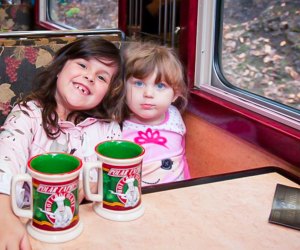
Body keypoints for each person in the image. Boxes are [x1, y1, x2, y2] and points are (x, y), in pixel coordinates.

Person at [0, 36, 123, 249]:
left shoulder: (107, 128)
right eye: (83, 64)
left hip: (90, 232)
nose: (89, 77)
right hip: (31, 227)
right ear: (59, 68)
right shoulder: (27, 115)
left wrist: (92, 186)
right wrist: (3, 216)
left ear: (107, 93)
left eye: (102, 77)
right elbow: (5, 161)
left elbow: (117, 179)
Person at [121, 41, 190, 187]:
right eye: (139, 84)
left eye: (160, 86)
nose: (148, 94)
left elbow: (182, 158)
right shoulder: (117, 125)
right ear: (123, 88)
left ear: (175, 94)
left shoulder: (174, 117)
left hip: (176, 195)